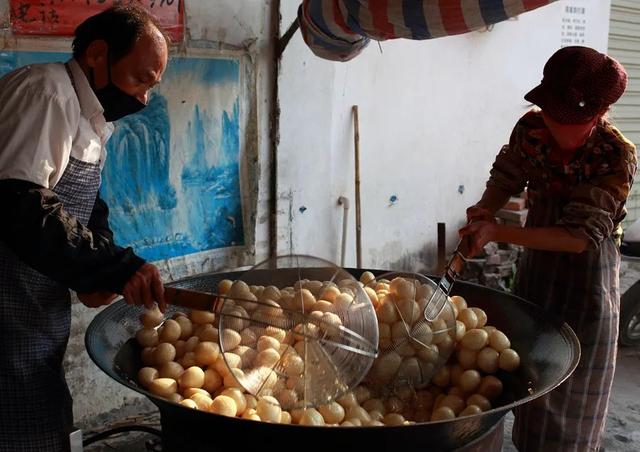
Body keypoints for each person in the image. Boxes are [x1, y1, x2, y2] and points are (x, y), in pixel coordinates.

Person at [0, 5, 168, 451]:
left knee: (41, 418)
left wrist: (105, 265)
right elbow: (21, 205)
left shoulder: (92, 120)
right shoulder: (46, 92)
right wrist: (113, 267)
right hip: (6, 307)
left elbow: (88, 207)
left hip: (37, 314)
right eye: (141, 79)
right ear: (97, 53)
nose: (144, 99)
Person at [460, 46, 636, 451]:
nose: (554, 123)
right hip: (538, 269)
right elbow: (508, 175)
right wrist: (485, 210)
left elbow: (577, 237)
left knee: (576, 386)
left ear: (596, 114)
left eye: (566, 118)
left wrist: (497, 233)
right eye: (551, 112)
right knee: (532, 371)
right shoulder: (531, 130)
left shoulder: (614, 154)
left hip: (587, 276)